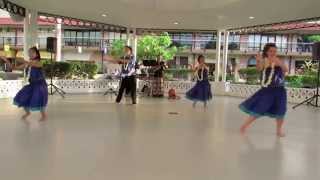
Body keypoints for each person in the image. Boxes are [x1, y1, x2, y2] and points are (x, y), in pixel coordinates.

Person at [239, 43, 288, 137]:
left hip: (280, 90)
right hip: (268, 90)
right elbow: (259, 68)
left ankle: (279, 131)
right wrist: (258, 61)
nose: (273, 53)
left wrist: (280, 63)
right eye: (271, 51)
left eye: (275, 51)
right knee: (260, 108)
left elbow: (285, 70)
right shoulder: (265, 60)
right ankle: (244, 126)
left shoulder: (278, 60)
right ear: (266, 52)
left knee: (281, 111)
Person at [13, 47, 48, 121]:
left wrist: (24, 61)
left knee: (38, 99)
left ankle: (44, 115)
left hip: (40, 84)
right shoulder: (28, 63)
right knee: (23, 96)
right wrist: (7, 60)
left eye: (32, 52)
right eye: (29, 52)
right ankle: (27, 112)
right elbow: (16, 68)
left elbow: (35, 65)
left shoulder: (39, 62)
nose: (30, 54)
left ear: (36, 54)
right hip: (32, 84)